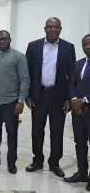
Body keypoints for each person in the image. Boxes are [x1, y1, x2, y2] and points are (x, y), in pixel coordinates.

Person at [25, 17, 76, 178]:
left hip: (58, 96)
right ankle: (37, 160)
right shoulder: (33, 46)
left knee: (57, 131)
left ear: (60, 29)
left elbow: (72, 75)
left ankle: (54, 163)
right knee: (37, 130)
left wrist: (69, 98)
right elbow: (27, 73)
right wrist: (27, 95)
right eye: (50, 27)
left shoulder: (68, 47)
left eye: (56, 27)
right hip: (38, 95)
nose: (53, 30)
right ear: (45, 28)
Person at [0, 30, 30, 174]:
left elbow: (25, 80)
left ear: (10, 39)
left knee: (11, 132)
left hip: (11, 102)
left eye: (5, 39)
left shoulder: (19, 57)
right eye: (0, 39)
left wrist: (21, 100)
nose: (3, 41)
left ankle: (11, 161)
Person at [64, 34, 90, 190]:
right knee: (80, 142)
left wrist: (84, 100)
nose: (88, 46)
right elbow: (71, 83)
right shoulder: (78, 64)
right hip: (78, 111)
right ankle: (82, 172)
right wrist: (74, 100)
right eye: (85, 44)